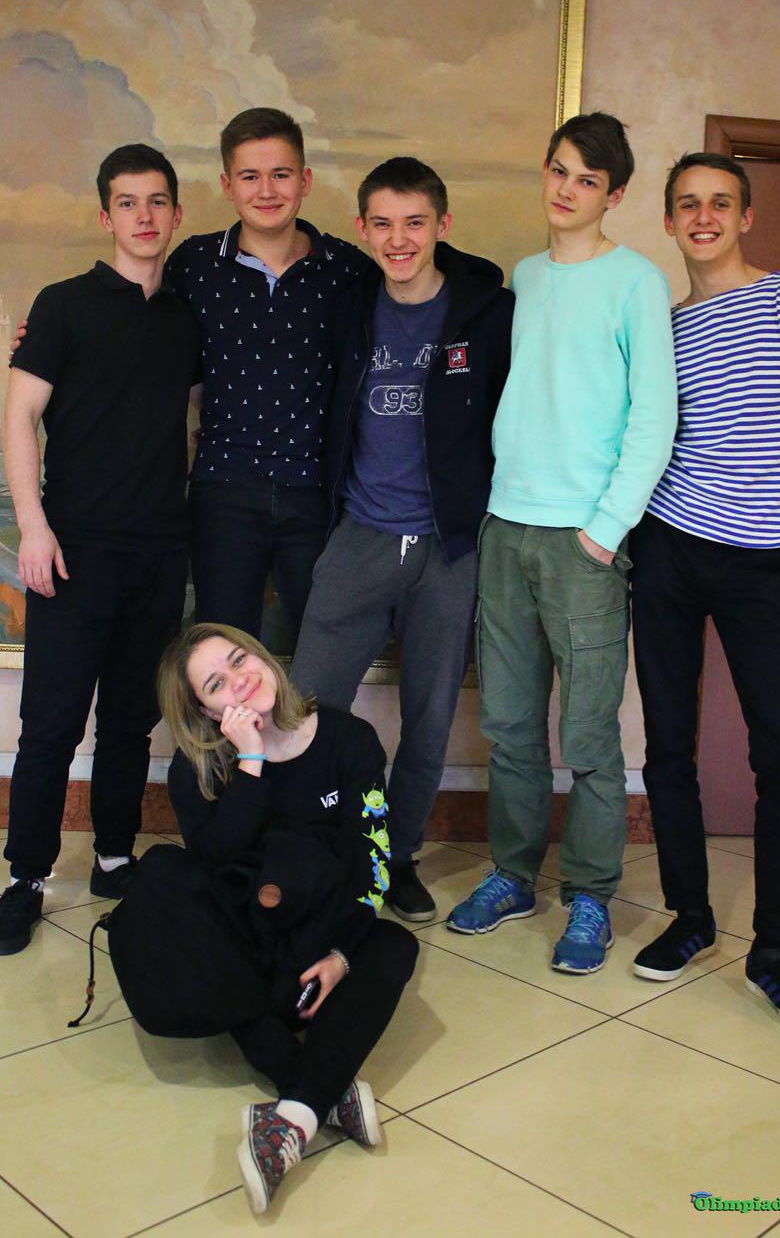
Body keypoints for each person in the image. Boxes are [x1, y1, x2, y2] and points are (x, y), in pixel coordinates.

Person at [447, 113, 677, 973]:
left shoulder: (636, 283)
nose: (566, 189)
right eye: (558, 170)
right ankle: (511, 875)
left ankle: (588, 896)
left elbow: (654, 418)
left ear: (612, 196)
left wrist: (603, 532)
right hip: (506, 527)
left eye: (586, 179)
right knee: (509, 726)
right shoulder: (526, 276)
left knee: (585, 737)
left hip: (584, 543)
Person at [630, 152, 780, 1034]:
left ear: (745, 216)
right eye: (687, 204)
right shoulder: (662, 325)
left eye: (719, 202)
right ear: (668, 220)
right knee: (667, 746)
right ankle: (689, 917)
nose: (703, 216)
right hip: (665, 550)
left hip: (761, 561)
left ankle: (773, 951)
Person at [108, 622, 418, 1215]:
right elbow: (214, 867)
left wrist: (341, 956)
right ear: (206, 711)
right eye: (216, 684)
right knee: (166, 875)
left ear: (260, 655)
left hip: (313, 947)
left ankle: (292, 1114)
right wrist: (249, 761)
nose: (240, 681)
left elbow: (372, 864)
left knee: (393, 946)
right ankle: (313, 1093)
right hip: (243, 953)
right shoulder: (197, 768)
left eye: (238, 659)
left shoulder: (348, 739)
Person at [289, 157, 514, 922]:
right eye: (382, 223)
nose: (398, 239)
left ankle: (399, 855)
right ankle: (310, 852)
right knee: (305, 710)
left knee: (428, 717)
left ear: (441, 226)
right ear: (361, 229)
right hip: (358, 538)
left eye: (414, 222)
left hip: (448, 552)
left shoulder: (488, 313)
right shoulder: (347, 307)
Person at [0, 145, 201, 956]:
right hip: (72, 549)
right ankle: (26, 877)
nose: (143, 217)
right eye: (127, 202)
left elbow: (191, 418)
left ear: (177, 214)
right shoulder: (62, 306)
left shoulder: (187, 316)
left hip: (158, 550)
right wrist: (33, 527)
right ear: (104, 215)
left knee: (129, 718)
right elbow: (19, 418)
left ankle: (115, 858)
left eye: (156, 202)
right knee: (51, 721)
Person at [164, 107, 367, 650]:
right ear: (227, 185)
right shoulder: (195, 264)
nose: (267, 190)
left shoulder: (347, 270)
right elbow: (133, 328)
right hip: (223, 489)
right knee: (222, 650)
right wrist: (46, 341)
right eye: (250, 176)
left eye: (281, 174)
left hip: (316, 493)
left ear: (305, 180)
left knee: (323, 651)